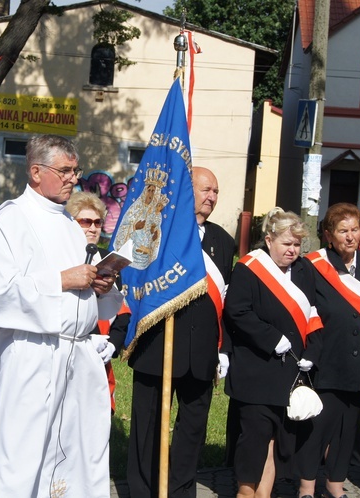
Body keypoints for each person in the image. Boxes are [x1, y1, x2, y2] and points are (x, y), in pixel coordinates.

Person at [0, 135, 123, 498]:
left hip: (75, 359)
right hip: (29, 356)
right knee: (21, 460)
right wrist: (62, 280)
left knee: (77, 458)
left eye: (77, 170)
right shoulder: (10, 220)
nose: (74, 178)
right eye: (66, 171)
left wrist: (100, 288)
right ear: (37, 171)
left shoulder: (71, 227)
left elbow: (82, 291)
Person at [126, 166, 235, 498]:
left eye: (216, 192)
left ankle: (180, 488)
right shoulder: (161, 231)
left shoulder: (223, 241)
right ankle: (144, 489)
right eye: (206, 190)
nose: (212, 197)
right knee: (147, 426)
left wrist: (224, 349)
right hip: (157, 346)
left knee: (193, 428)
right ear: (189, 192)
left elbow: (227, 301)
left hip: (202, 350)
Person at [296, 203, 360, 498]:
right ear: (329, 235)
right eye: (343, 231)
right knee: (318, 427)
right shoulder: (313, 266)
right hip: (326, 360)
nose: (350, 237)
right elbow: (307, 312)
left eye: (355, 230)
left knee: (348, 429)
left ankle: (336, 484)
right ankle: (306, 486)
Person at [223, 207, 321, 498]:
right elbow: (237, 311)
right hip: (256, 370)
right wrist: (271, 338)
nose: (292, 250)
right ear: (268, 241)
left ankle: (264, 494)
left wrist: (312, 352)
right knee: (254, 439)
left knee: (278, 440)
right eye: (286, 244)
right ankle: (245, 492)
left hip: (291, 372)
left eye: (296, 245)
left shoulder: (304, 270)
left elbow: (314, 313)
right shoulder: (248, 267)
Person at [66, 190, 130, 413]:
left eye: (97, 222)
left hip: (99, 357)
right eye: (85, 221)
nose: (93, 228)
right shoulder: (60, 257)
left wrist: (113, 345)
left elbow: (123, 314)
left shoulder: (109, 261)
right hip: (65, 350)